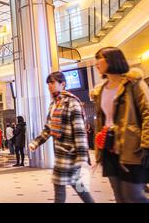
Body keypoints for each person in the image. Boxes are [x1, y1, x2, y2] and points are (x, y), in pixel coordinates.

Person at [91, 47, 149, 203]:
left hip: (131, 148)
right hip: (108, 148)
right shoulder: (101, 89)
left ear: (113, 60)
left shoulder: (133, 84)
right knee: (120, 197)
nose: (96, 63)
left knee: (133, 196)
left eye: (99, 58)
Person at [29, 71, 95, 203]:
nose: (50, 86)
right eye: (48, 84)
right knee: (78, 186)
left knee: (59, 186)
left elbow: (79, 131)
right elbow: (49, 129)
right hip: (60, 152)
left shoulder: (72, 102)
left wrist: (82, 157)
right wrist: (36, 142)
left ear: (63, 84)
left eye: (53, 83)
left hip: (70, 153)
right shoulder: (54, 104)